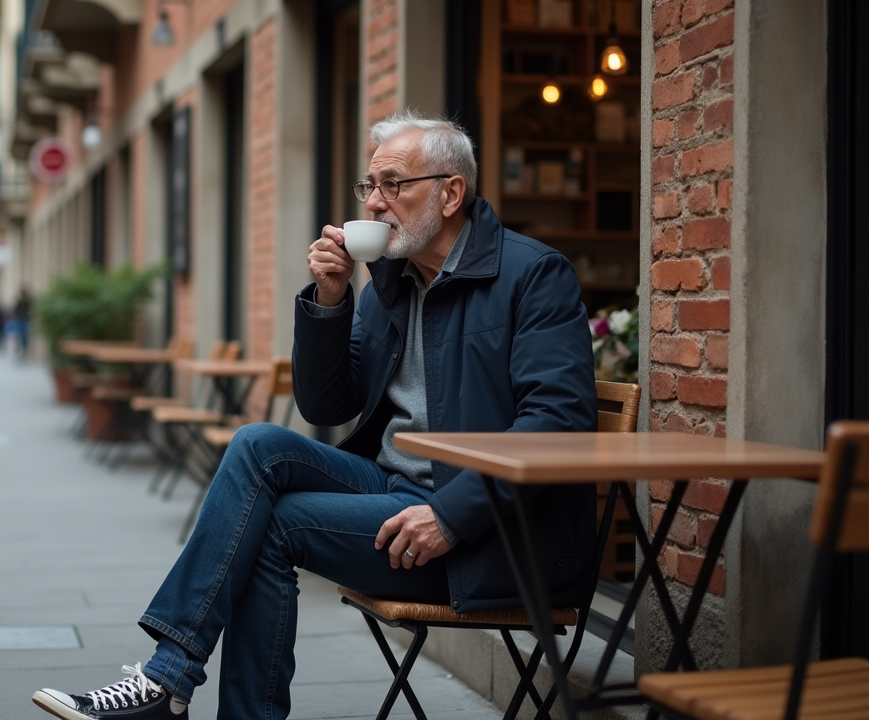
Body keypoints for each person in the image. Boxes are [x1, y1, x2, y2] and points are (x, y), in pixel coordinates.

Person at [31, 112, 597, 720]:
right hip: (395, 490)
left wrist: (451, 516)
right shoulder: (391, 282)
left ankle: (167, 684)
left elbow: (557, 424)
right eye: (369, 186)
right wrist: (330, 301)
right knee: (257, 444)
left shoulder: (532, 275)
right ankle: (168, 678)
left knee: (273, 526)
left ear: (451, 192)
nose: (375, 203)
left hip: (491, 535)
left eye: (392, 185)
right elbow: (328, 404)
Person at [12, 288, 31, 359]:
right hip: (20, 319)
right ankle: (19, 349)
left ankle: (22, 350)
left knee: (22, 336)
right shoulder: (21, 301)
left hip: (23, 320)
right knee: (20, 335)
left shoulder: (27, 302)